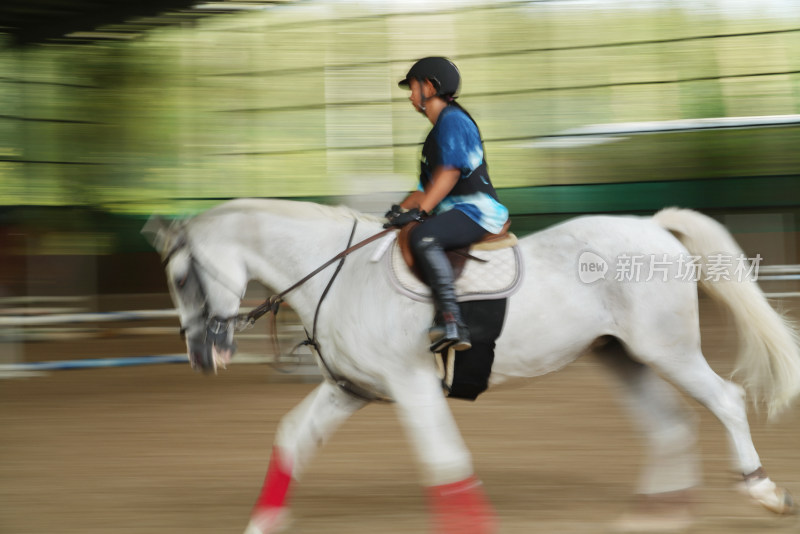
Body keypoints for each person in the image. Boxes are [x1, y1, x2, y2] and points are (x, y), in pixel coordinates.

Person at [386, 56, 509, 353]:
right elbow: (423, 190)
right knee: (406, 230)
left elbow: (449, 174)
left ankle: (452, 321)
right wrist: (398, 213)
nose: (410, 96)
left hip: (477, 211)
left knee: (424, 236)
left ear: (429, 86)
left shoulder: (453, 120)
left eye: (413, 88)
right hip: (455, 210)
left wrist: (420, 213)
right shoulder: (435, 133)